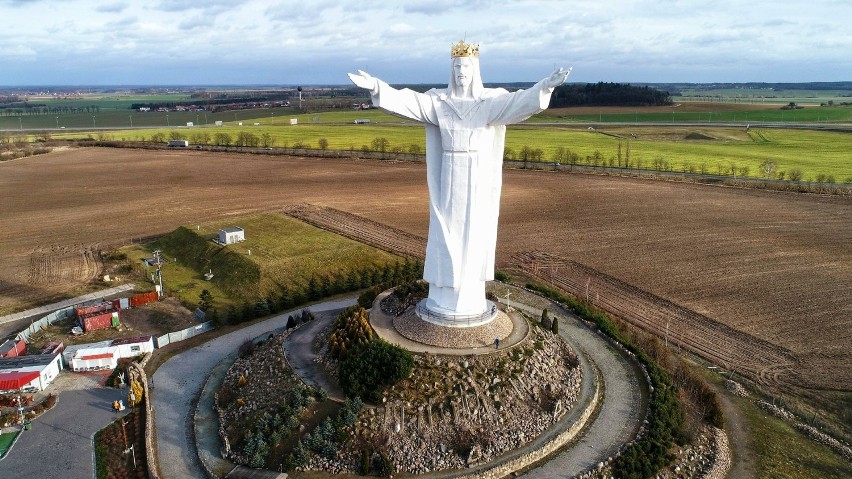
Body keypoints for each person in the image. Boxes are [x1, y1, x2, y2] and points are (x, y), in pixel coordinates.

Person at [349, 41, 571, 319]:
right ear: (451, 70)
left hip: (476, 176)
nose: (460, 71)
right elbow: (408, 102)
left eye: (465, 66)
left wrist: (545, 87)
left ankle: (468, 293)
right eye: (456, 67)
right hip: (450, 175)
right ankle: (444, 292)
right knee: (447, 232)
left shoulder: (488, 103)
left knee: (474, 232)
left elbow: (518, 102)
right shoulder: (440, 102)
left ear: (474, 69)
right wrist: (377, 87)